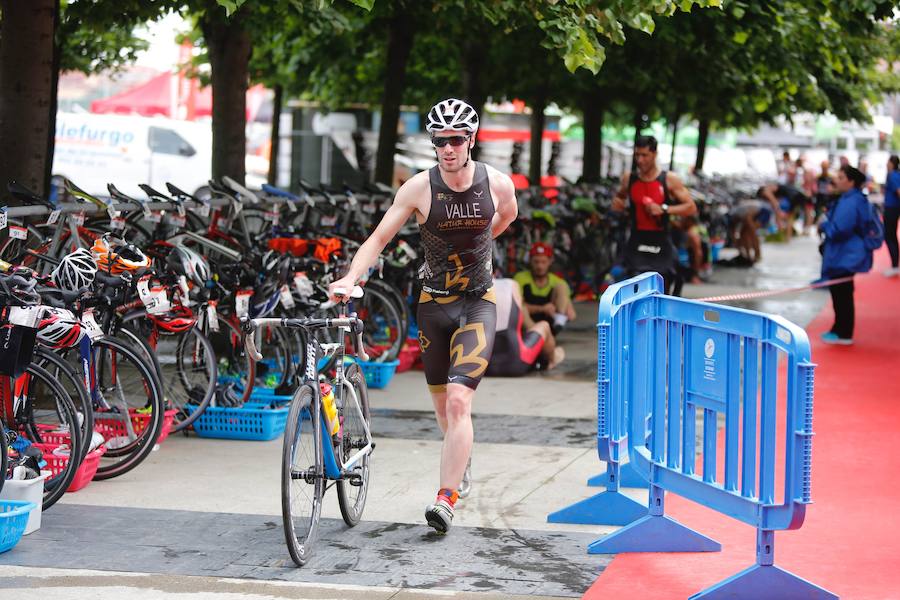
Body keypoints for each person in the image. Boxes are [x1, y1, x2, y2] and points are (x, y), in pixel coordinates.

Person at [328, 98, 517, 534]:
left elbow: (507, 216)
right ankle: (460, 458)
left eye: (455, 140)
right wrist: (350, 277)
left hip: (477, 303)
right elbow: (378, 239)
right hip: (433, 306)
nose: (447, 149)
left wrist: (481, 248)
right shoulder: (417, 188)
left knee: (458, 400)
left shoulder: (497, 183)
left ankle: (445, 499)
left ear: (471, 140)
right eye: (439, 141)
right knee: (443, 411)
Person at [611, 135, 697, 293]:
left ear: (655, 154)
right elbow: (620, 197)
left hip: (660, 240)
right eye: (637, 155)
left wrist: (664, 209)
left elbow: (691, 207)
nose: (640, 160)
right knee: (633, 288)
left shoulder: (669, 179)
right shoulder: (629, 179)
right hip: (637, 239)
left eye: (645, 155)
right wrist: (618, 204)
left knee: (664, 285)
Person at [819, 164, 874, 345]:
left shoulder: (851, 201)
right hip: (845, 252)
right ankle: (839, 329)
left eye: (842, 177)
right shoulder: (852, 199)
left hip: (845, 253)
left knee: (842, 292)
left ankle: (843, 332)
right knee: (841, 291)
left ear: (851, 182)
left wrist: (824, 224)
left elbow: (840, 229)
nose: (838, 180)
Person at [485, 278, 564, 377]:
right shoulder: (510, 284)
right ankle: (552, 359)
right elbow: (519, 318)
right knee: (544, 326)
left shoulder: (463, 289)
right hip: (515, 363)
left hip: (478, 367)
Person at [513, 242, 576, 334]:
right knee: (521, 308)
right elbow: (516, 307)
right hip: (528, 324)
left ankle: (559, 320)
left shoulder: (557, 281)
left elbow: (572, 314)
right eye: (536, 262)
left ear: (550, 262)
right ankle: (535, 335)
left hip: (550, 321)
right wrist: (543, 308)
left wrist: (564, 312)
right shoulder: (520, 278)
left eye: (543, 262)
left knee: (561, 286)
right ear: (530, 261)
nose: (540, 266)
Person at [882, 154, 900, 277]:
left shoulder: (892, 175)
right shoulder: (897, 174)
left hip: (891, 208)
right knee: (892, 236)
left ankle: (895, 265)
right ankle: (895, 264)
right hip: (894, 208)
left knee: (890, 236)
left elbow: (898, 191)